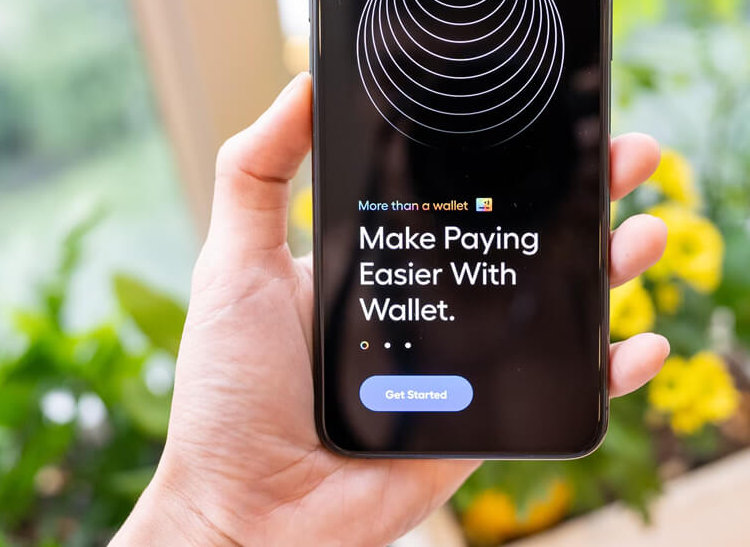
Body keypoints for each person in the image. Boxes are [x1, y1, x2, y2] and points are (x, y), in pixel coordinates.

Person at [111, 73, 670, 546]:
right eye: (428, 107)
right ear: (382, 137)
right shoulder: (332, 310)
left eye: (504, 105)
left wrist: (216, 524)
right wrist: (215, 518)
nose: (468, 142)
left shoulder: (554, 313)